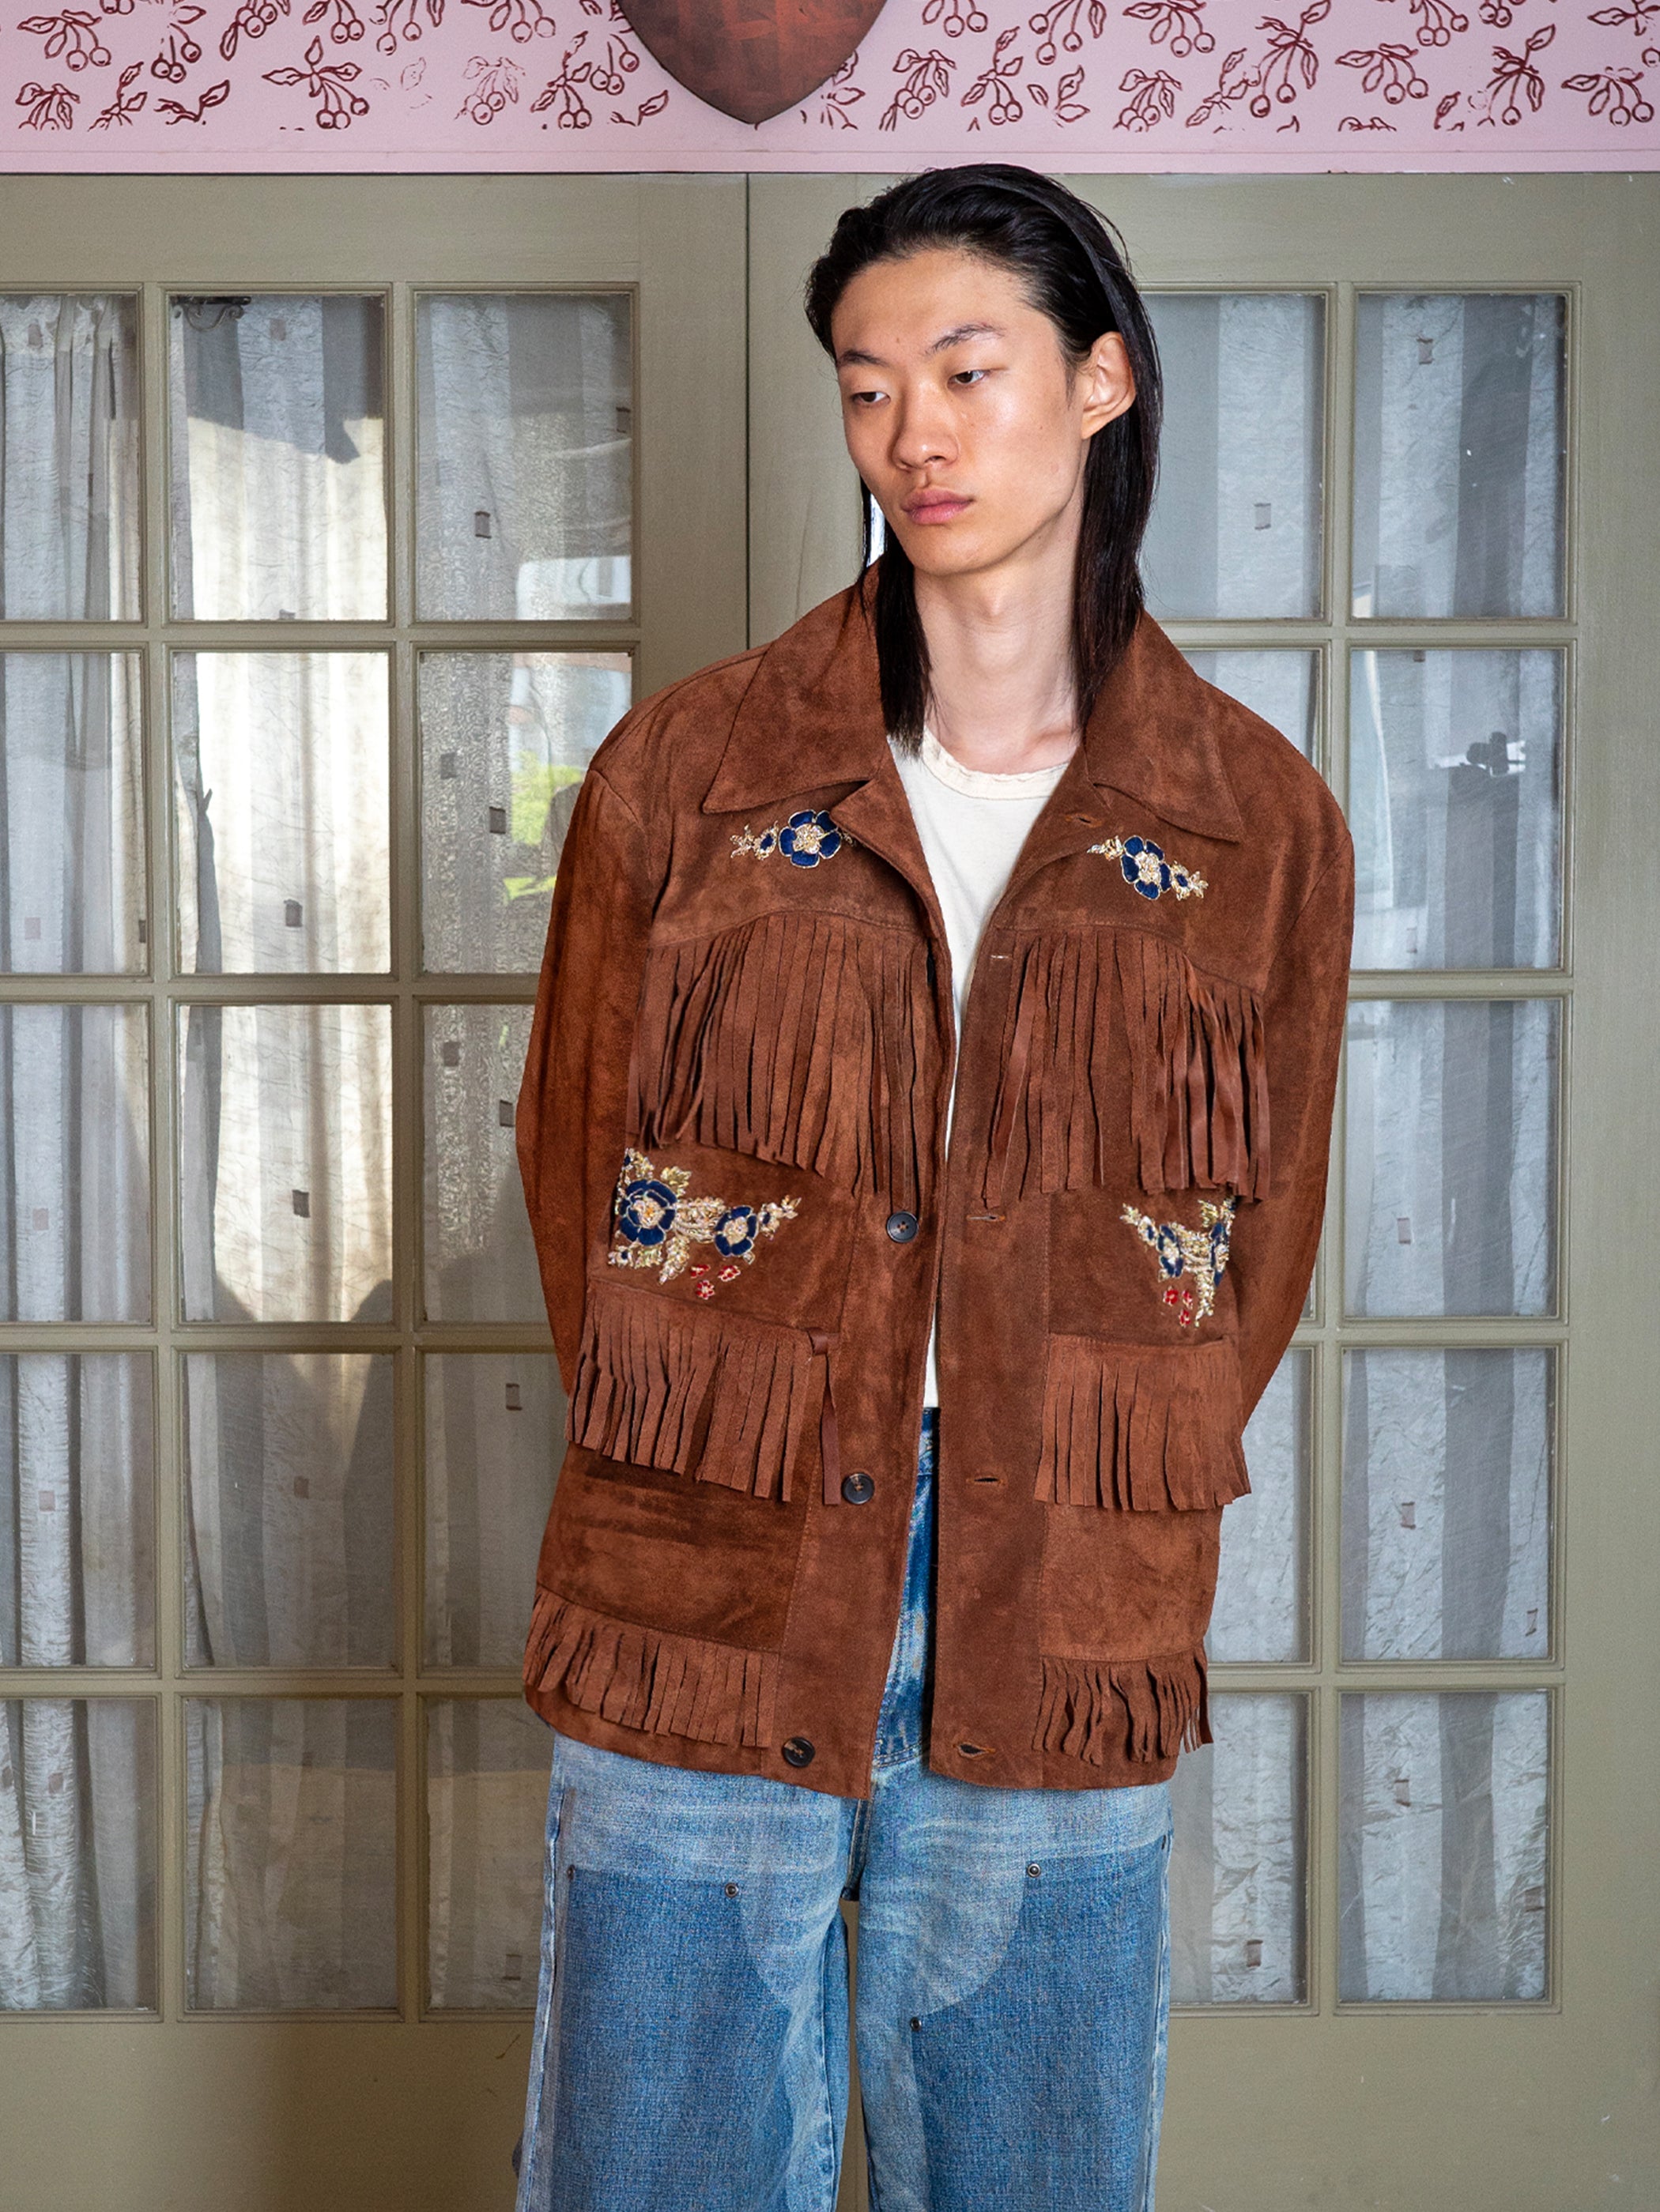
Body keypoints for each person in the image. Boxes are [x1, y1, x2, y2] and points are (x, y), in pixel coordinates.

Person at [511, 162, 1353, 2212]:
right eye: (867, 387)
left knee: (1031, 2172)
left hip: (1055, 1577)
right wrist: (740, 1401)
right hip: (708, 1575)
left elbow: (1257, 1243)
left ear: (1097, 382)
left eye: (966, 370)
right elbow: (573, 1165)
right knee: (661, 2171)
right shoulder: (689, 777)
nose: (914, 434)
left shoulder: (1247, 818)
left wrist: (1068, 1439)